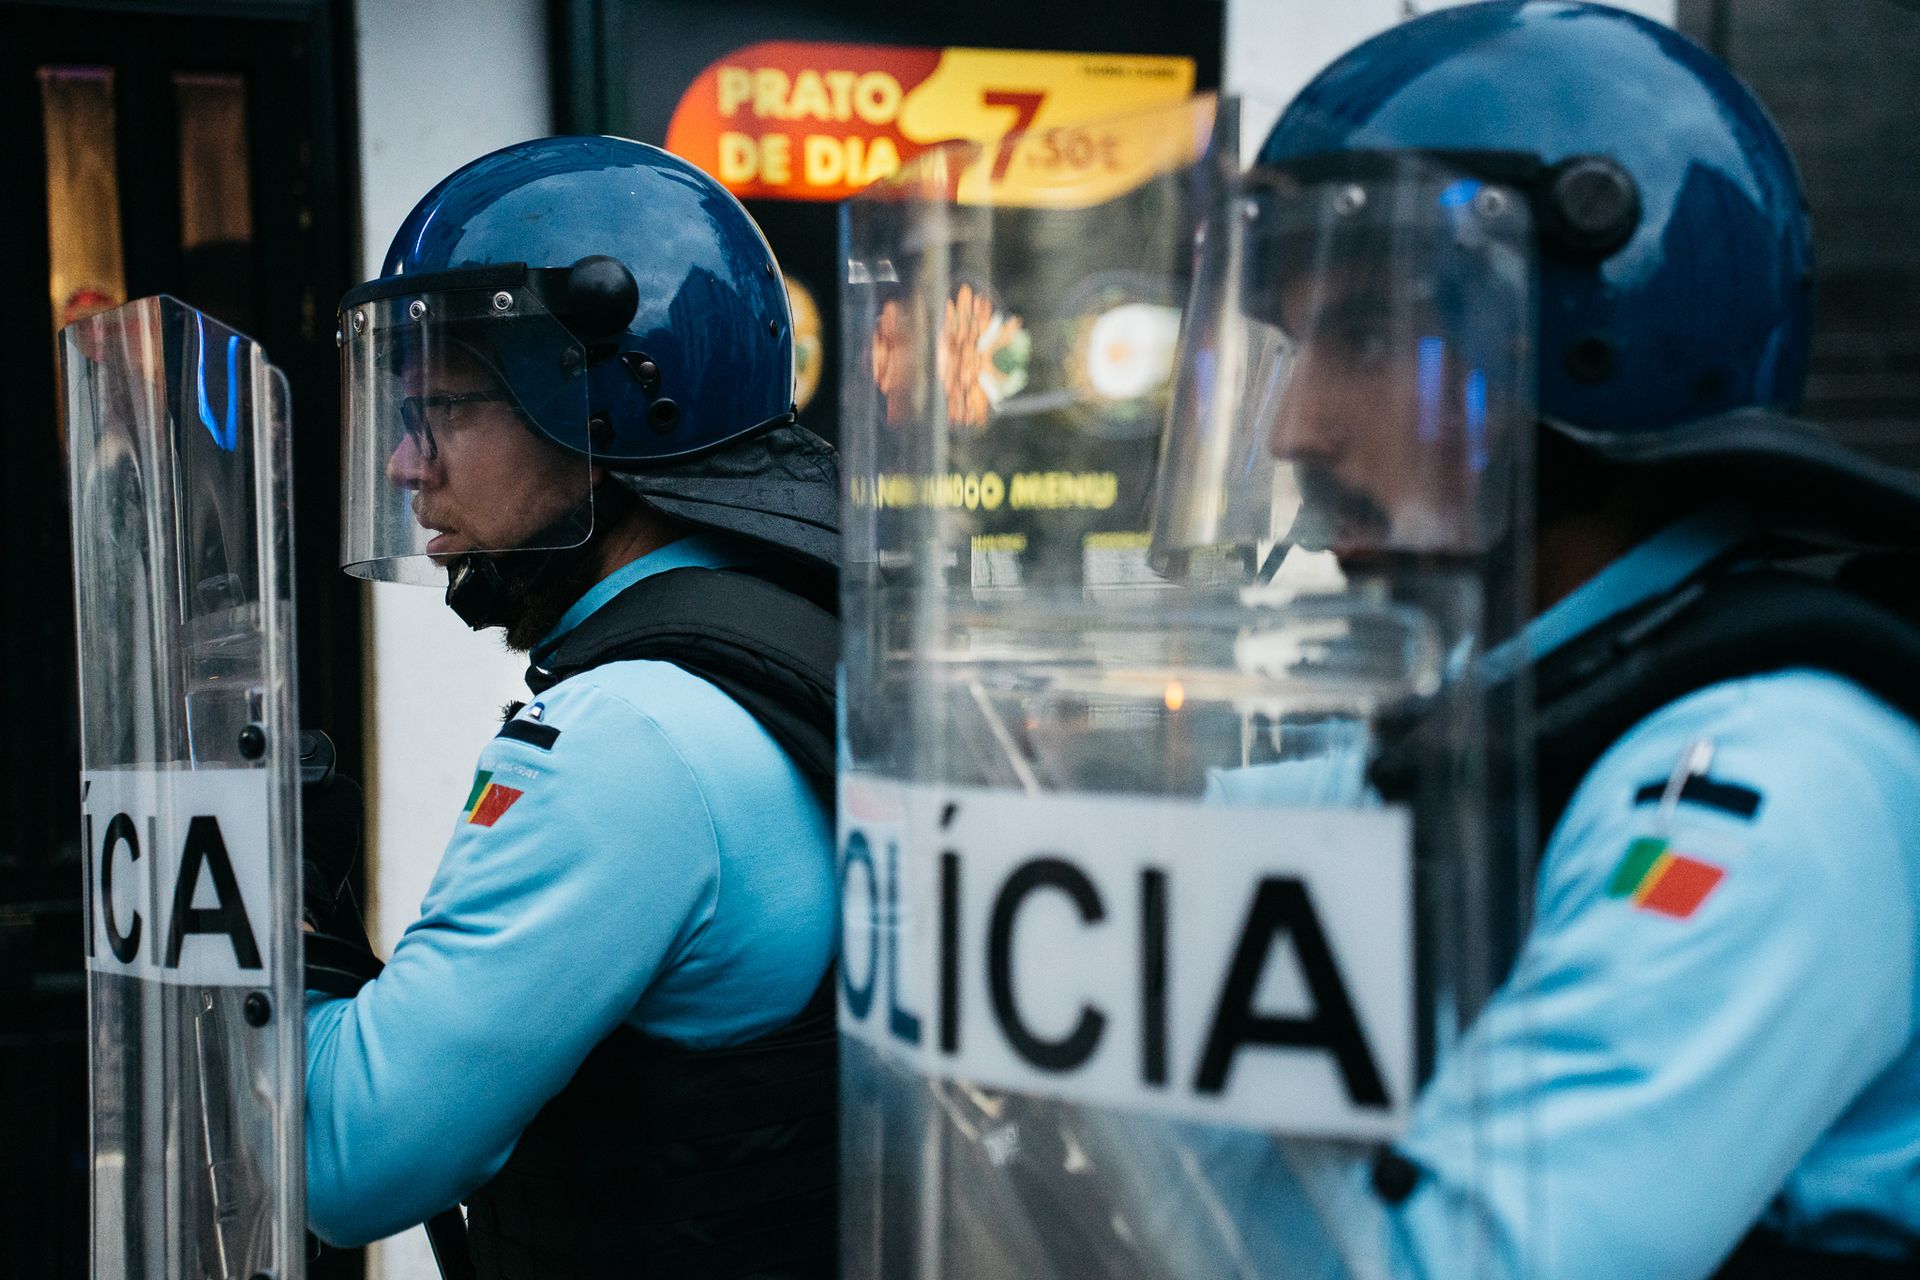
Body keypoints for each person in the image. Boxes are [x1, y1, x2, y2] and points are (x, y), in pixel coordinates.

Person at [1177, 3, 1920, 1277]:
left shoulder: (1776, 774)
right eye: (1297, 349)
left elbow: (1446, 1264)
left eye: (1360, 336)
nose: (1293, 426)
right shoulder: (1521, 709)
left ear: (1598, 349)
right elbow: (1181, 825)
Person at [304, 135, 841, 1279]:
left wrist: (291, 952)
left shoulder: (625, 740)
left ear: (598, 409)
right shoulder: (795, 640)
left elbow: (349, 1162)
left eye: (443, 407)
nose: (406, 463)